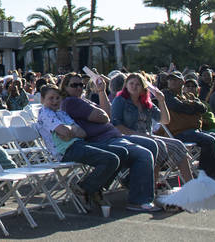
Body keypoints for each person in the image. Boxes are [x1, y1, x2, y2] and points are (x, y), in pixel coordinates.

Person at [59, 73, 159, 212]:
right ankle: (138, 201)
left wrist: (101, 91)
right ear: (64, 87)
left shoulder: (84, 100)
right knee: (144, 154)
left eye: (81, 85)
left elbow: (108, 115)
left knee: (151, 145)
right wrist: (102, 116)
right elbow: (102, 117)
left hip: (114, 136)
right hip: (100, 140)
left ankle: (133, 183)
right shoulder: (70, 102)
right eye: (74, 85)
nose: (78, 88)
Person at [35, 84, 120, 211]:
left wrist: (69, 130)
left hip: (78, 144)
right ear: (42, 100)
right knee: (111, 159)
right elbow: (65, 132)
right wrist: (70, 130)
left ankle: (93, 188)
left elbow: (82, 133)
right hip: (65, 151)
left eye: (57, 98)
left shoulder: (61, 114)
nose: (55, 101)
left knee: (121, 152)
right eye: (51, 98)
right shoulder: (45, 114)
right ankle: (86, 188)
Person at [110, 73, 198, 184]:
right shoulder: (120, 100)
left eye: (138, 84)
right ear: (126, 85)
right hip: (128, 138)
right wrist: (142, 135)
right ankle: (152, 187)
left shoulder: (146, 102)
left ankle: (191, 185)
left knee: (178, 145)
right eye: (131, 83)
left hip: (148, 136)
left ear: (143, 88)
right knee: (158, 146)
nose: (134, 86)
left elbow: (165, 120)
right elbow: (117, 126)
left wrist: (161, 101)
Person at [162, 72, 215, 172]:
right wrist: (192, 108)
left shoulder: (188, 96)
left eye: (175, 79)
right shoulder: (166, 95)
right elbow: (177, 106)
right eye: (170, 80)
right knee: (210, 141)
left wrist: (190, 104)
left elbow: (203, 108)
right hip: (178, 133)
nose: (172, 82)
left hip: (194, 130)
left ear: (182, 82)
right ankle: (204, 173)